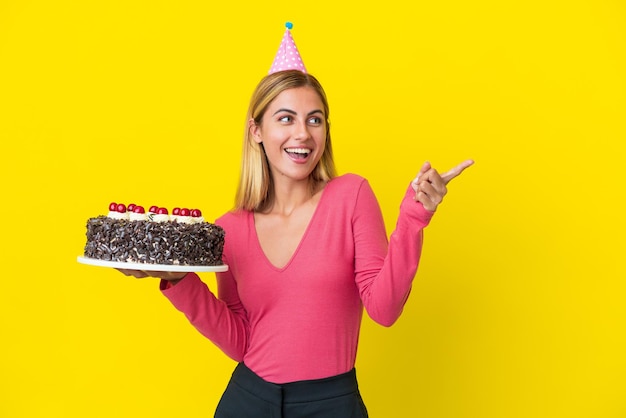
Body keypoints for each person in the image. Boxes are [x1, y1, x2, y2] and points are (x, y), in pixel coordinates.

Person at [119, 25, 473, 418]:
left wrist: (414, 217)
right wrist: (180, 280)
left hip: (331, 404)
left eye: (315, 119)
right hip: (248, 401)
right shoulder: (229, 229)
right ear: (257, 131)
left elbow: (384, 310)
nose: (302, 134)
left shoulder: (351, 196)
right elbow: (240, 342)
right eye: (286, 119)